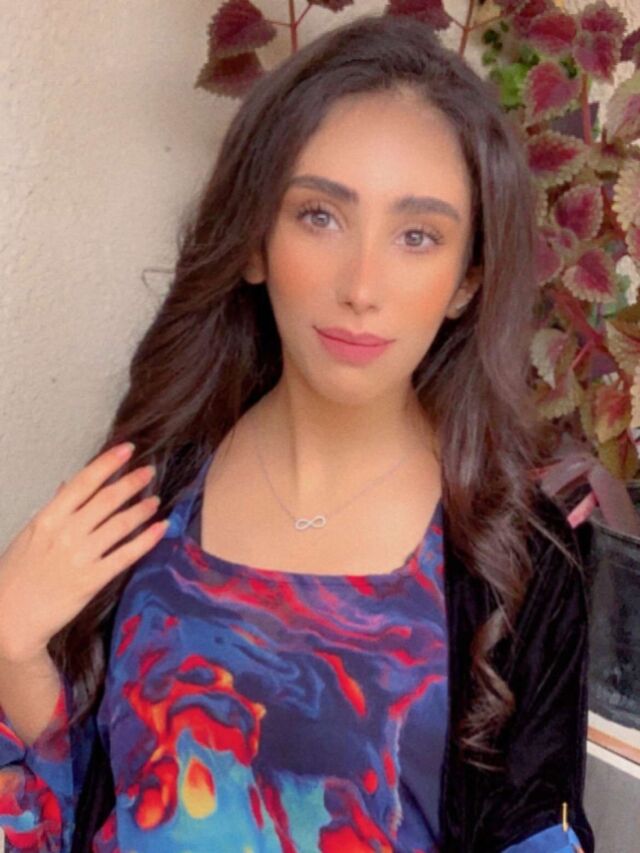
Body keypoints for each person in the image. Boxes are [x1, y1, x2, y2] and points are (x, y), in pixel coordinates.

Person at [0, 13, 593, 853]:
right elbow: (68, 810)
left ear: (466, 282)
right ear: (254, 242)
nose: (362, 285)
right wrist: (13, 648)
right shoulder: (149, 491)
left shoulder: (515, 558)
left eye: (417, 236)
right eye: (320, 216)